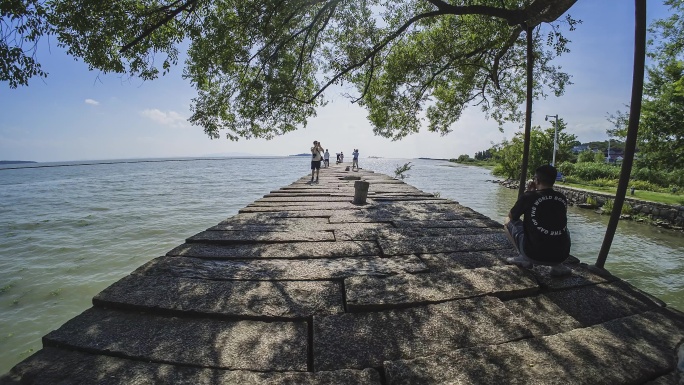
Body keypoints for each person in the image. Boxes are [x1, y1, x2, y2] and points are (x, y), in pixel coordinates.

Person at [504, 164, 572, 277]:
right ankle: (557, 265)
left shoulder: (528, 197)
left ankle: (523, 258)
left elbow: (512, 216)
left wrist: (529, 193)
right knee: (561, 227)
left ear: (537, 180)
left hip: (532, 254)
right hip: (561, 255)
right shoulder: (562, 198)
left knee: (507, 221)